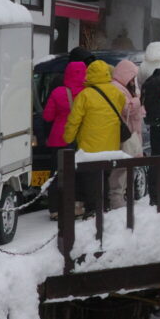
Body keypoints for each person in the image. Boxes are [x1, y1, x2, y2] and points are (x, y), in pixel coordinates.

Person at [63, 60, 126, 213]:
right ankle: (105, 208)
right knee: (105, 177)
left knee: (91, 181)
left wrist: (68, 138)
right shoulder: (117, 93)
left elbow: (74, 120)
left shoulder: (84, 95)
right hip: (111, 146)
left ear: (89, 74)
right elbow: (121, 108)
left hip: (89, 149)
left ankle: (94, 211)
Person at [42, 61, 85, 217]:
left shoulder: (58, 92)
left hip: (58, 140)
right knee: (78, 174)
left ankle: (55, 209)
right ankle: (76, 206)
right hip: (80, 139)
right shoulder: (87, 92)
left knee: (56, 174)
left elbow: (47, 116)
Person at [108, 59, 144, 208]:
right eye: (132, 76)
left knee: (126, 167)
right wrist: (139, 100)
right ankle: (116, 199)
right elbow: (126, 108)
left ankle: (121, 196)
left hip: (130, 133)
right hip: (125, 134)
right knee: (121, 168)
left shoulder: (125, 88)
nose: (134, 80)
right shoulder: (116, 87)